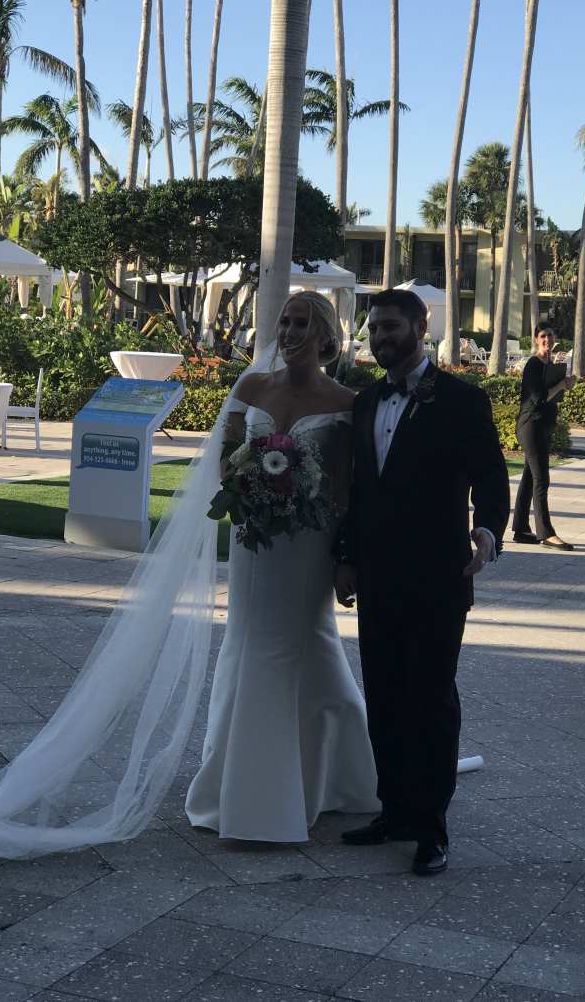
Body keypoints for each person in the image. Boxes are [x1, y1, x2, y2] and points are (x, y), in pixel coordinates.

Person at [185, 292, 380, 840]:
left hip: (309, 545)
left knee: (304, 641)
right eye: (285, 322)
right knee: (249, 642)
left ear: (325, 337)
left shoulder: (346, 402)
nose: (290, 333)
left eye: (302, 325)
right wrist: (248, 484)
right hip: (253, 538)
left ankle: (310, 779)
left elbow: (347, 487)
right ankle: (269, 777)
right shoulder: (251, 387)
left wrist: (345, 556)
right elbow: (224, 460)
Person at [334, 290, 510, 876]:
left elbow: (491, 476)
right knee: (384, 697)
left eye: (390, 326)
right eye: (373, 329)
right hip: (377, 576)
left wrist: (487, 532)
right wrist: (346, 557)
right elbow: (358, 491)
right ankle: (393, 811)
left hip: (439, 576)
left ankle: (431, 828)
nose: (379, 338)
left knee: (431, 700)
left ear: (420, 326)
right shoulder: (365, 401)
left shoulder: (462, 399)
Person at [512, 323, 577, 551]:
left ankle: (521, 529)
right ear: (536, 340)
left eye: (550, 335)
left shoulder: (550, 365)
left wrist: (566, 385)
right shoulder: (533, 364)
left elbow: (552, 396)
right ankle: (546, 533)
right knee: (541, 480)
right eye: (542, 336)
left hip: (543, 426)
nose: (547, 339)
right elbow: (538, 398)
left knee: (530, 478)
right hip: (531, 426)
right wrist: (560, 385)